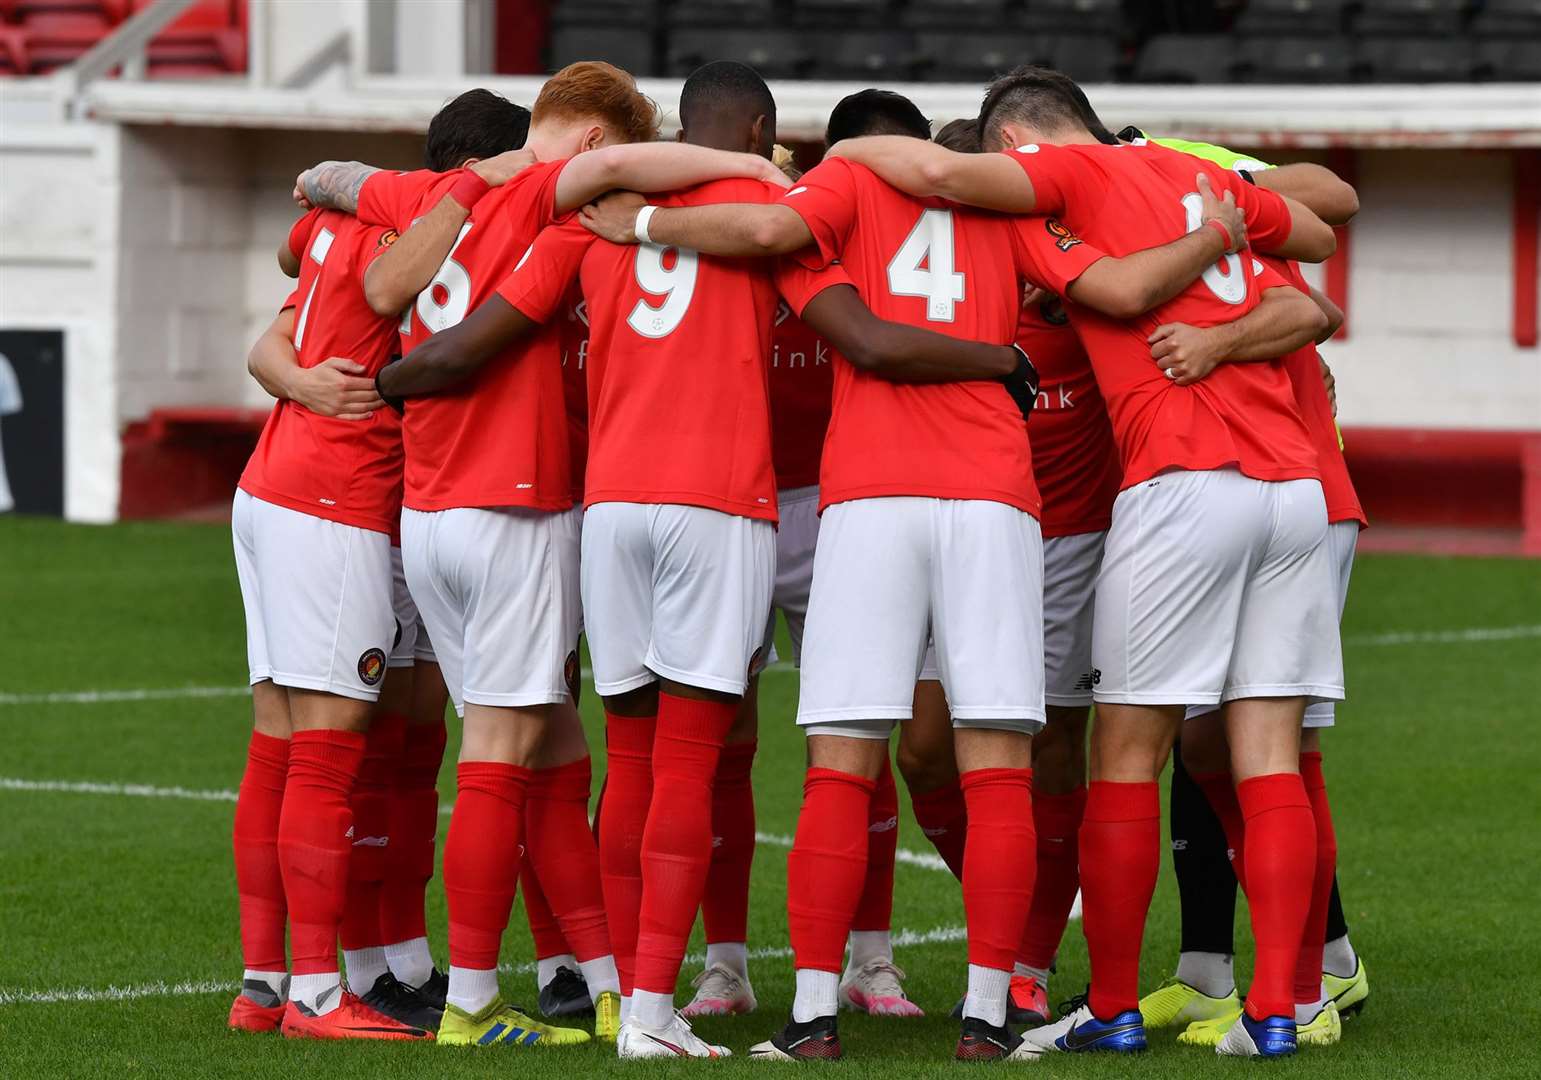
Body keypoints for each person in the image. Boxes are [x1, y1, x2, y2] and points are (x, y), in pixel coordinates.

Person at [372, 69, 1094, 1059]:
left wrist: (383, 375)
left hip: (631, 502)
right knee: (977, 763)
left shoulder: (603, 213)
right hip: (770, 501)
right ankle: (982, 1006)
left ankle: (685, 998)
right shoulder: (788, 199)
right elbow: (1088, 289)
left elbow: (480, 328)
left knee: (660, 760)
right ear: (758, 131)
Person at [576, 86, 1266, 1063]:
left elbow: (770, 230)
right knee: (996, 767)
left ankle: (812, 1017)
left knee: (841, 760)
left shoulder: (846, 185)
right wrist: (1211, 246)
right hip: (992, 497)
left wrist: (638, 222)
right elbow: (1112, 292)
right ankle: (990, 1012)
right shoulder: (1008, 208)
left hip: (866, 496)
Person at [824, 67, 1340, 1058]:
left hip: (1184, 480)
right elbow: (1313, 252)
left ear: (1017, 144)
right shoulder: (1198, 178)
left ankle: (1106, 1008)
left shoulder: (1057, 182)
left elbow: (943, 181)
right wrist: (1223, 241)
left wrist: (841, 152)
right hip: (1291, 493)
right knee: (1265, 752)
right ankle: (1277, 1013)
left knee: (1122, 757)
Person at [293, 60, 796, 1050]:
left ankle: (604, 982)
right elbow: (773, 227)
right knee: (533, 761)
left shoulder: (446, 190)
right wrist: (768, 178)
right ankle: (487, 1000)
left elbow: (325, 188)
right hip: (536, 505)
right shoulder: (573, 203)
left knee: (566, 758)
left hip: (457, 506)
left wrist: (359, 359)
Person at [1132, 137, 1369, 1050]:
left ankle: (1317, 979)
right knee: (1204, 740)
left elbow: (1324, 252)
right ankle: (1209, 972)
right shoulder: (1160, 243)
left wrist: (1209, 200)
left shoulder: (1183, 197)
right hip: (1238, 495)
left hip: (1295, 491)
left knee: (1276, 743)